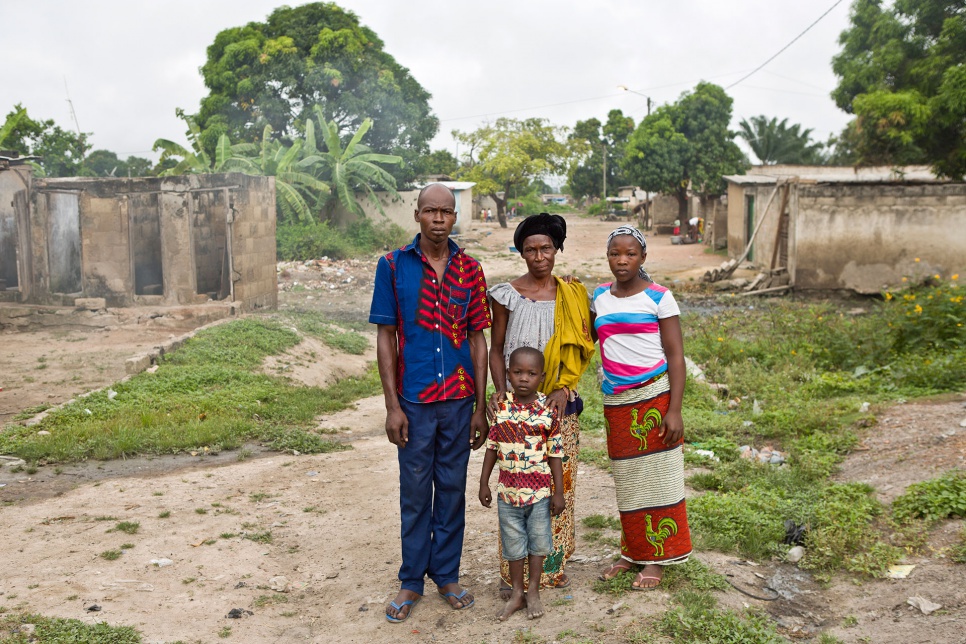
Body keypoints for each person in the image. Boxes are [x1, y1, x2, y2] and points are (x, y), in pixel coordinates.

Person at [369, 183, 491, 623]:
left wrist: (480, 404)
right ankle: (410, 581)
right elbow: (386, 336)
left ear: (454, 216)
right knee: (415, 492)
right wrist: (391, 406)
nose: (438, 219)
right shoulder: (392, 267)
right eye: (430, 211)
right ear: (416, 214)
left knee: (453, 490)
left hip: (459, 401)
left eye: (446, 212)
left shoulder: (471, 270)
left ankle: (447, 574)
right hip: (415, 400)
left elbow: (478, 338)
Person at [487, 213, 595, 594]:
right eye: (530, 249)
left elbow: (583, 346)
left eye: (545, 248)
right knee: (516, 487)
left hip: (559, 408)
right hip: (517, 412)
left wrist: (565, 388)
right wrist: (500, 393)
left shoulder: (573, 294)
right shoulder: (506, 295)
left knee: (556, 486)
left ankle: (553, 565)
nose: (539, 256)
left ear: (556, 249)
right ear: (521, 253)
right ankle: (512, 571)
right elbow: (496, 348)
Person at [591, 226, 692, 590]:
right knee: (628, 482)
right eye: (615, 253)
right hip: (617, 402)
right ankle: (632, 551)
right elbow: (587, 339)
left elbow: (676, 356)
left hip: (654, 398)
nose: (622, 260)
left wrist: (675, 410)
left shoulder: (659, 297)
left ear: (642, 258)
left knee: (660, 481)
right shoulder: (599, 296)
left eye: (630, 254)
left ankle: (658, 558)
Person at [479, 347, 565, 621]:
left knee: (538, 543)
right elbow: (491, 447)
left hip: (539, 494)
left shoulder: (548, 411)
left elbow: (555, 455)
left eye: (531, 373)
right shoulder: (500, 408)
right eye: (517, 372)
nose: (524, 378)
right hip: (507, 494)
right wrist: (484, 484)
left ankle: (534, 591)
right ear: (508, 374)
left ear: (541, 376)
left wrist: (558, 493)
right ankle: (517, 592)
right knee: (513, 543)